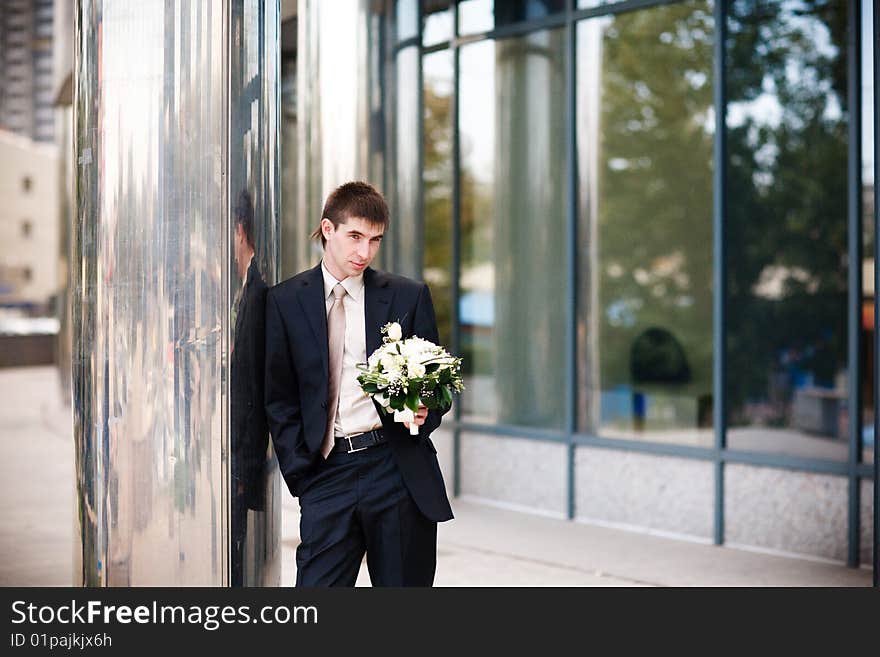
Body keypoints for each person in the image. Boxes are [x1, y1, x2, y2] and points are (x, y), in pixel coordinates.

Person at [264, 181, 453, 586]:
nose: (363, 252)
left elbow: (438, 386)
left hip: (396, 469)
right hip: (326, 473)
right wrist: (303, 474)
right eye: (354, 236)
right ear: (327, 229)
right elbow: (278, 397)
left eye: (374, 240)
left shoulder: (408, 296)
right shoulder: (284, 301)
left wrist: (426, 409)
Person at [230, 190, 269, 586]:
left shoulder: (258, 294)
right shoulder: (247, 289)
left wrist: (245, 466)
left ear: (239, 231)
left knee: (235, 561)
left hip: (242, 460)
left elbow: (255, 392)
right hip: (240, 458)